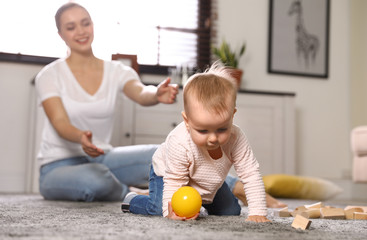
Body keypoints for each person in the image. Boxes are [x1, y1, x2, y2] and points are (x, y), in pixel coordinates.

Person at [35, 2, 180, 202]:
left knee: (164, 153)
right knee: (95, 181)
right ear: (61, 34)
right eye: (71, 27)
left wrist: (156, 94)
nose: (80, 31)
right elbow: (60, 122)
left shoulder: (117, 71)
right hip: (57, 166)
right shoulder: (50, 75)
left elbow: (140, 91)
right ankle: (130, 193)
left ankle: (230, 187)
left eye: (85, 23)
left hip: (103, 157)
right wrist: (80, 137)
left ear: (92, 25)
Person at [121, 63, 271, 222]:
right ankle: (132, 200)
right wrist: (170, 213)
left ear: (232, 116)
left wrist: (258, 212)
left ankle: (200, 201)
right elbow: (174, 181)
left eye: (221, 129)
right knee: (158, 209)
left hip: (207, 178)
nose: (213, 138)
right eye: (203, 131)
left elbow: (250, 173)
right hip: (168, 174)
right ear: (187, 120)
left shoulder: (236, 137)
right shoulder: (179, 141)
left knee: (231, 211)